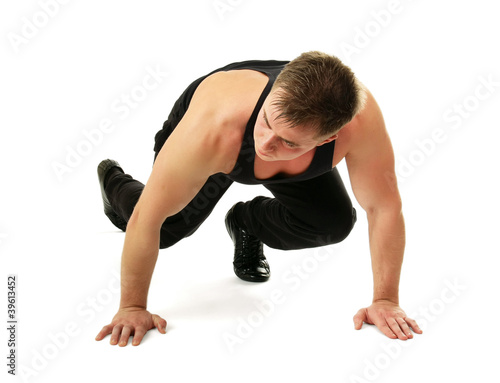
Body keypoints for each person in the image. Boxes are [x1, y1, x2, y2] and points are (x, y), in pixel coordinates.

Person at [94, 51, 422, 347]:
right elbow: (146, 219)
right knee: (165, 229)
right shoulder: (210, 130)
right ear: (273, 95)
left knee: (332, 223)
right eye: (266, 122)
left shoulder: (360, 122)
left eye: (288, 142)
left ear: (330, 138)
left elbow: (384, 207)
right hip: (222, 142)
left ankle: (246, 222)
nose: (265, 145)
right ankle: (114, 181)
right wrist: (132, 307)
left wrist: (386, 300)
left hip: (271, 140)